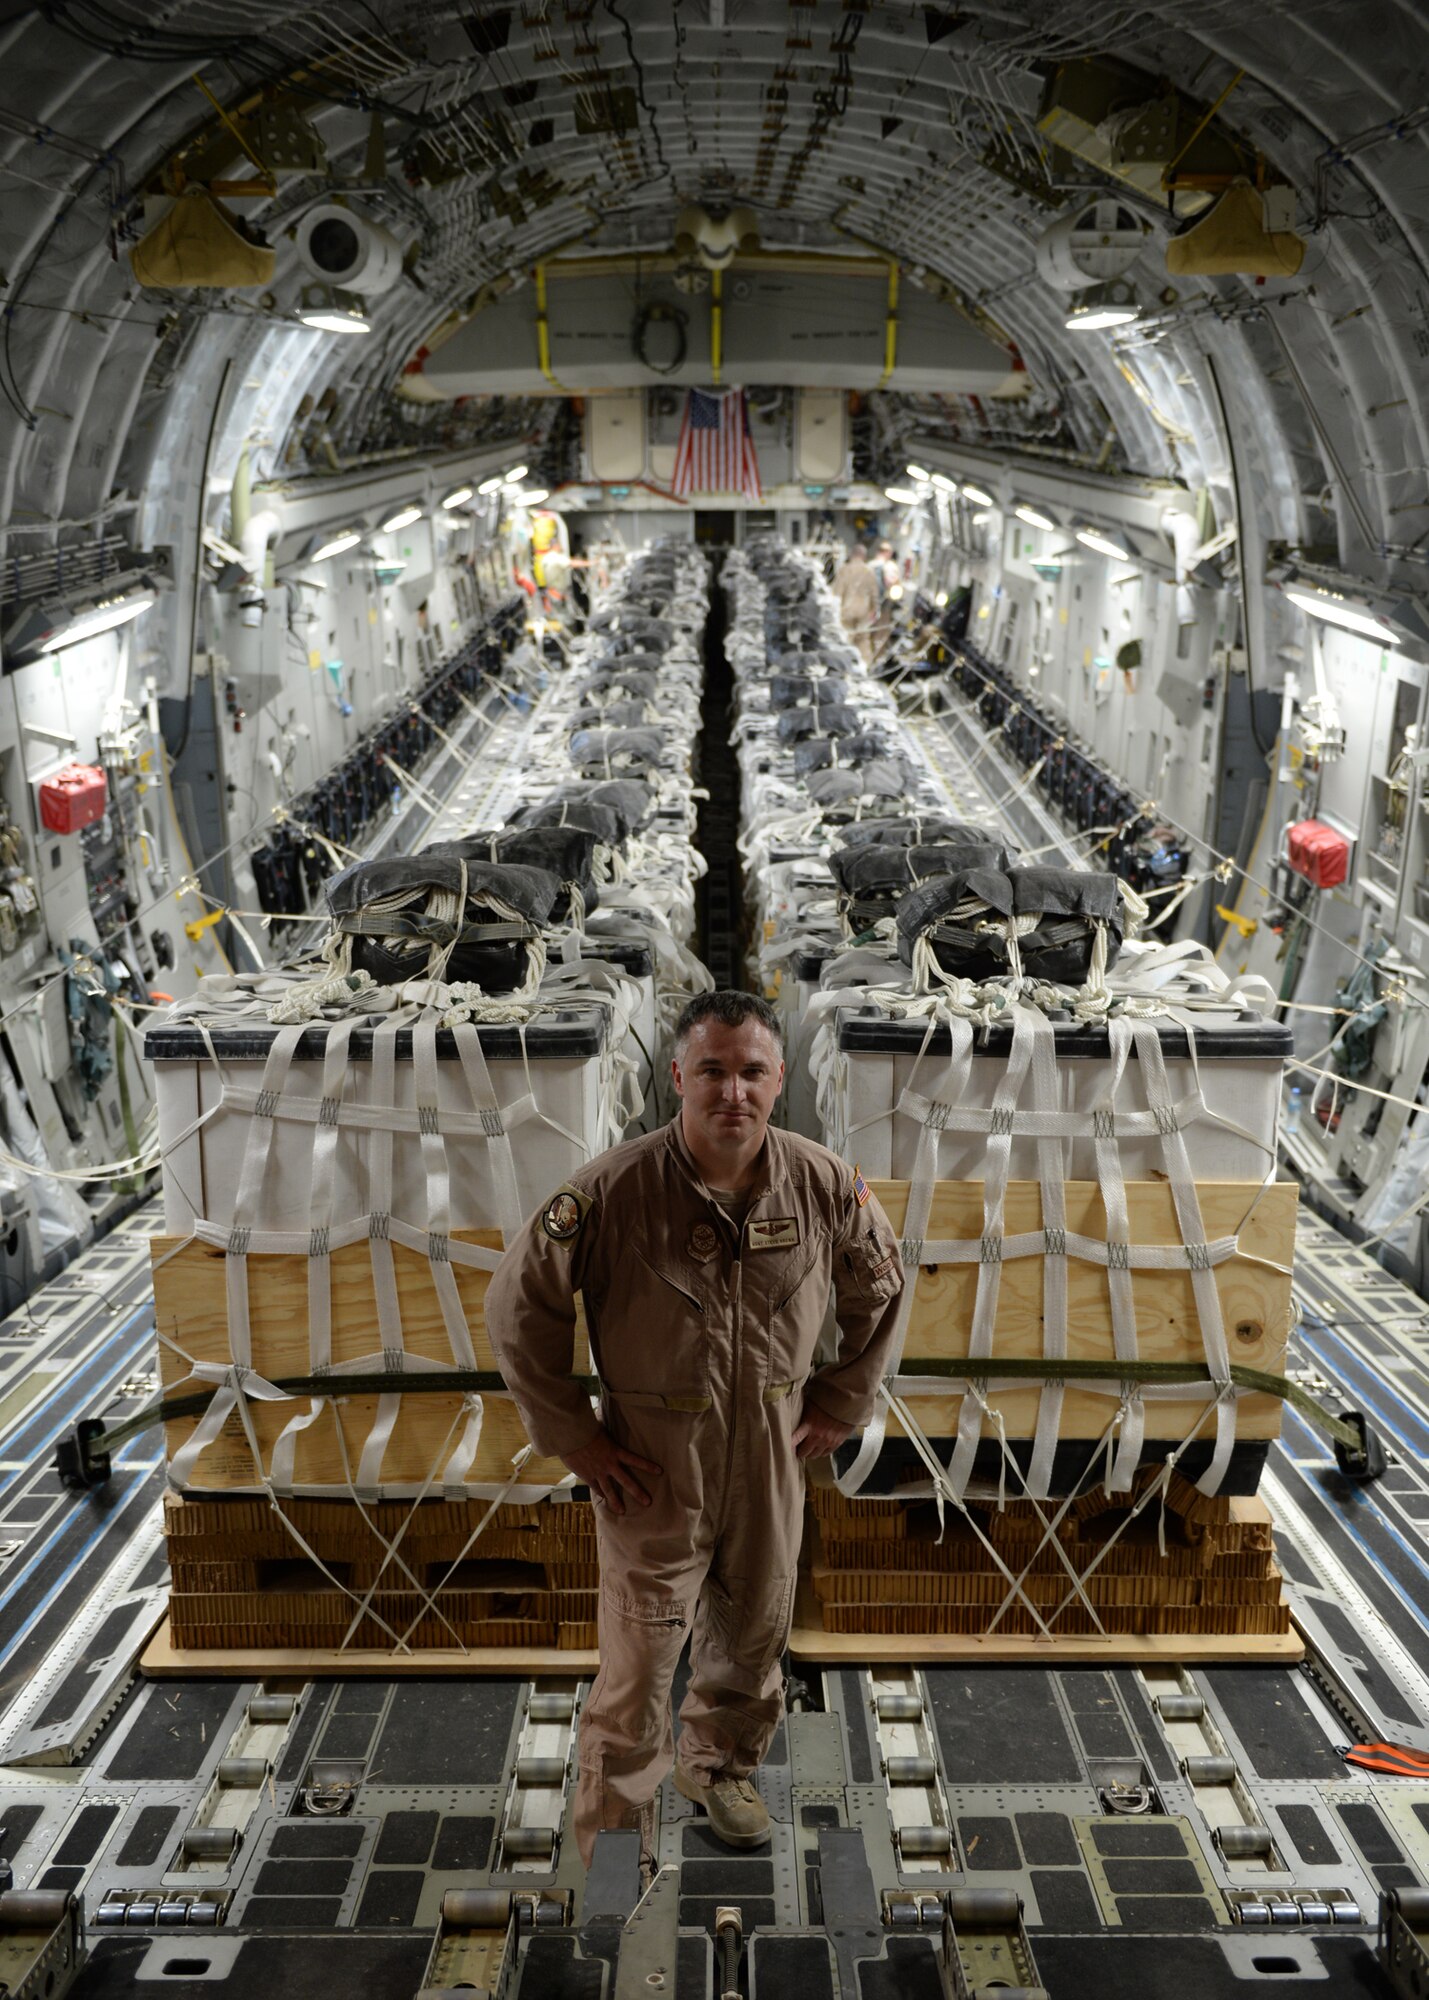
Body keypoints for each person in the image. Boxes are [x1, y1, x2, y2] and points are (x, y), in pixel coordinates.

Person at [486, 990, 904, 1869]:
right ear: (677, 1076)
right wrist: (574, 1436)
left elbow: (882, 1288)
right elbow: (518, 1305)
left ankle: (718, 1768)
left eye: (752, 1071)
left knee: (753, 1634)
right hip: (652, 1461)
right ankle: (612, 1835)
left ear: (778, 1079)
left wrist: (841, 1400)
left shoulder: (823, 1183)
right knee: (641, 1657)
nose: (732, 1092)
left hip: (773, 1449)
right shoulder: (611, 1190)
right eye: (712, 1070)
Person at [831, 541, 879, 664]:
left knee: (845, 639)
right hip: (864, 612)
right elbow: (874, 594)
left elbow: (837, 593)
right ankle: (865, 666)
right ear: (863, 555)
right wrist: (874, 609)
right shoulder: (869, 571)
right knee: (863, 641)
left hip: (846, 611)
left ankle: (845, 665)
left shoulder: (845, 570)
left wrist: (834, 611)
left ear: (852, 554)